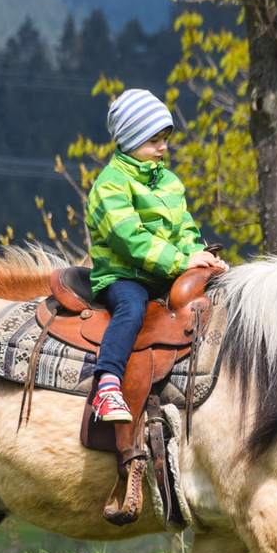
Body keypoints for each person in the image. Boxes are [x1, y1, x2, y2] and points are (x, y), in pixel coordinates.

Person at [84, 89, 226, 423]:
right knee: (132, 310)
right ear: (128, 139)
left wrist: (202, 258)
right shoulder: (110, 184)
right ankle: (107, 386)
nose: (163, 147)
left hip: (164, 273)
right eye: (153, 140)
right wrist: (181, 262)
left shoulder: (170, 183)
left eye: (164, 138)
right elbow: (128, 238)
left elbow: (185, 230)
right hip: (123, 276)